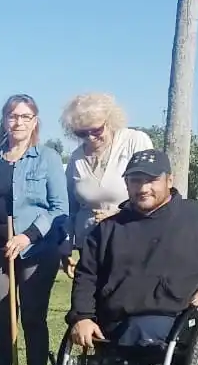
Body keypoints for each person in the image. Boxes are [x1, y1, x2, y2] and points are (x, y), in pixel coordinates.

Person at [69, 148, 198, 351]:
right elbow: (87, 275)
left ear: (169, 181)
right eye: (135, 180)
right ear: (126, 184)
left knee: (142, 331)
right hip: (113, 322)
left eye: (151, 180)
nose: (143, 188)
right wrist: (82, 317)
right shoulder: (107, 229)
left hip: (176, 322)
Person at [0, 94, 68, 365]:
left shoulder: (47, 158)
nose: (18, 122)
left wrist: (28, 236)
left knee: (32, 315)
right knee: (2, 315)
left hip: (35, 251)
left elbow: (59, 208)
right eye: (12, 116)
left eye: (25, 116)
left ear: (34, 122)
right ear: (4, 121)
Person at [61, 93, 153, 277]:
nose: (90, 138)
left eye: (96, 130)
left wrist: (120, 213)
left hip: (130, 239)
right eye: (81, 133)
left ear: (110, 121)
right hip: (89, 245)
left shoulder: (134, 141)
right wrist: (65, 248)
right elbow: (69, 206)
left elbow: (152, 191)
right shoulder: (76, 157)